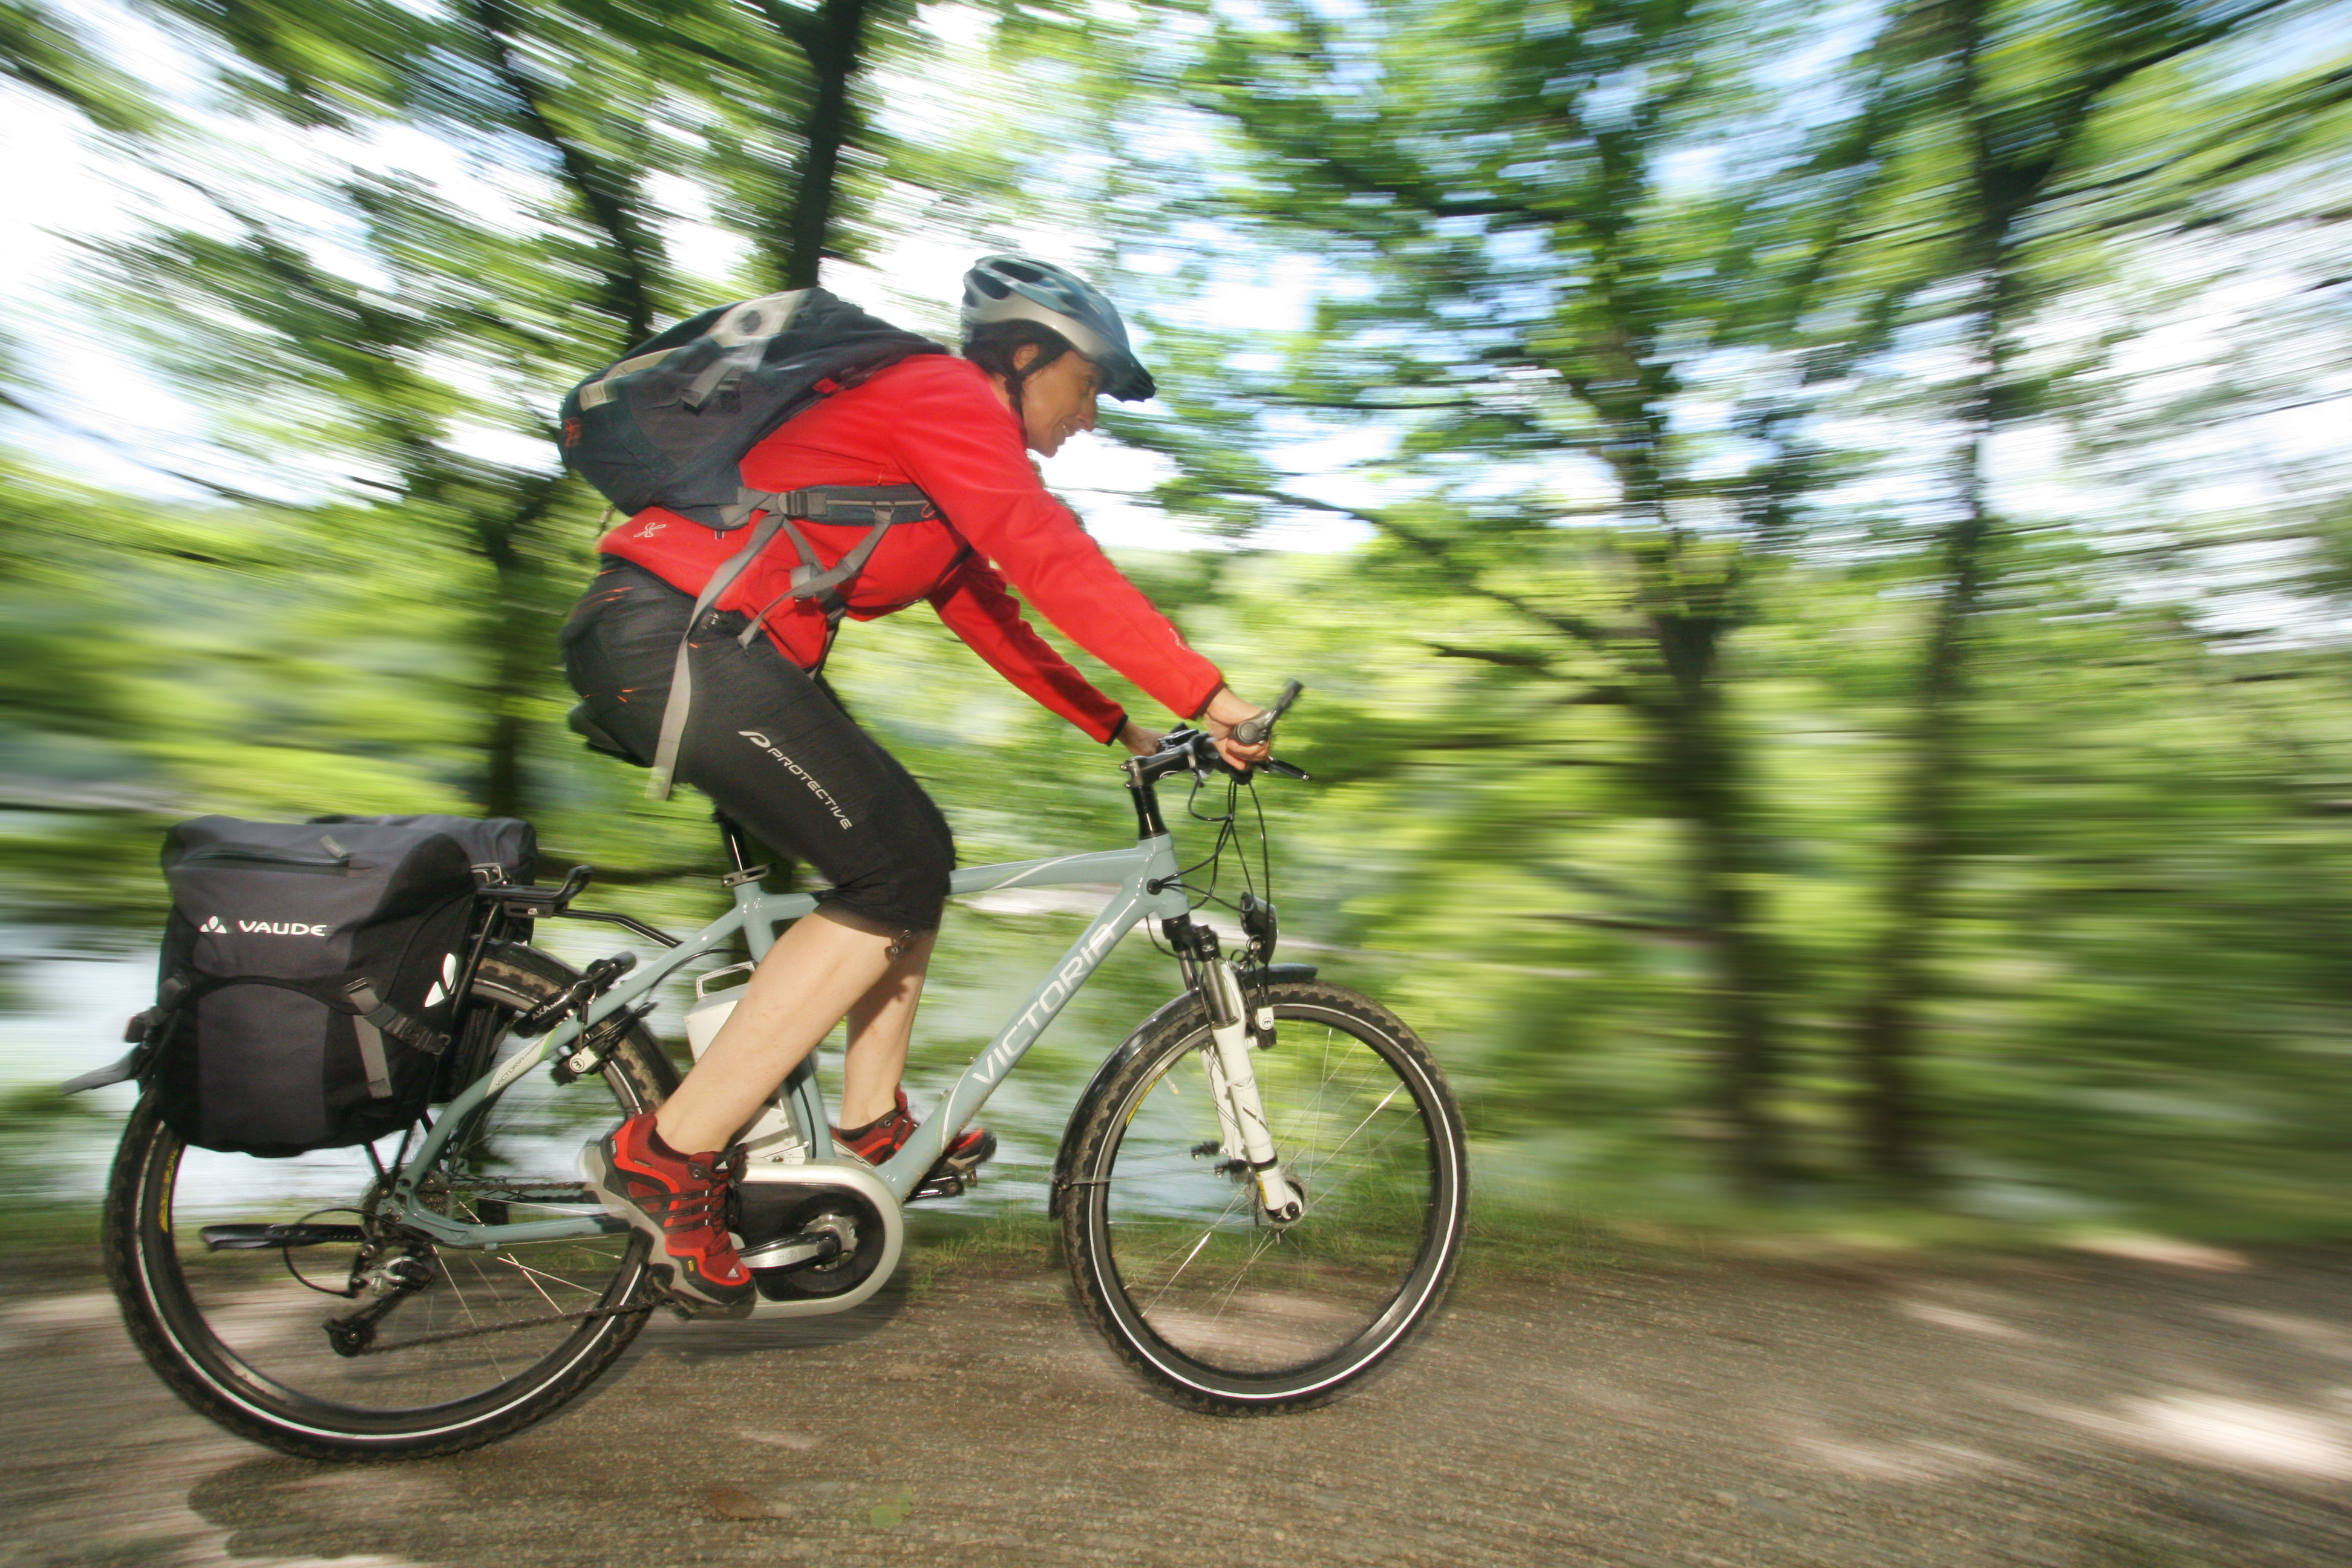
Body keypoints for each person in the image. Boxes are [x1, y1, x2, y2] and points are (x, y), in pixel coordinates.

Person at [562, 255, 1275, 1312]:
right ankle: (668, 1156)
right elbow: (1049, 554)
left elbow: (996, 614)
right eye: (1086, 385)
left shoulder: (936, 484)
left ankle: (867, 1124)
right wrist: (1207, 692)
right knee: (895, 866)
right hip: (681, 639)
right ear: (1025, 356)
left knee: (911, 860)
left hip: (712, 647)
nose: (1089, 415)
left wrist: (1123, 724)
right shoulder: (944, 396)